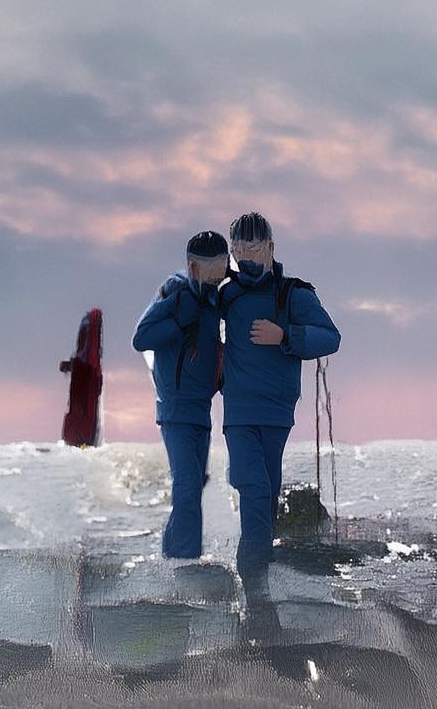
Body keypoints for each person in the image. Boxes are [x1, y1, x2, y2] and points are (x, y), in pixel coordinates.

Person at [218, 212, 340, 594]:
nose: (246, 257)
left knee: (267, 493)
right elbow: (192, 319)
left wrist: (285, 335)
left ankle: (258, 586)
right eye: (239, 250)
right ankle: (255, 588)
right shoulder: (226, 294)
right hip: (239, 412)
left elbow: (330, 337)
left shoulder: (293, 294)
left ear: (270, 247)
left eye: (253, 248)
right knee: (254, 487)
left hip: (277, 413)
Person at [132, 231, 228, 559]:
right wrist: (177, 321)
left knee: (195, 486)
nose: (217, 276)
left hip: (202, 410)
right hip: (174, 410)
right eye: (212, 269)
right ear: (194, 266)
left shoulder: (215, 298)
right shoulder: (174, 290)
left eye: (222, 267)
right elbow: (141, 339)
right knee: (187, 487)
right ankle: (186, 565)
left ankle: (173, 559)